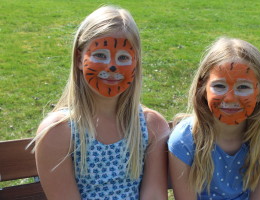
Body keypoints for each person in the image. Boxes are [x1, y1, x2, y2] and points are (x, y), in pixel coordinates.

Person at [32, 5, 169, 200]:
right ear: (80, 59)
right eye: (100, 55)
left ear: (136, 63)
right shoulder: (58, 132)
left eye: (123, 57)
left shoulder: (152, 126)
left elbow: (154, 195)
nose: (112, 66)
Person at [168, 37, 260, 200]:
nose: (229, 99)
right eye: (219, 86)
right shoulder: (184, 140)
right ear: (203, 88)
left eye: (243, 87)